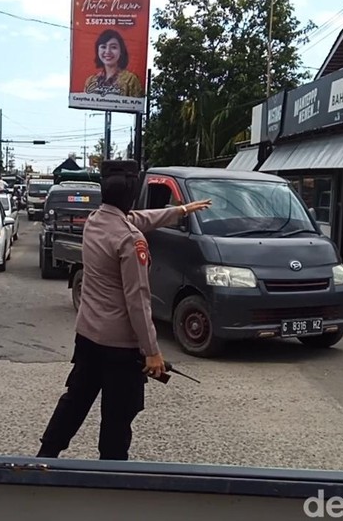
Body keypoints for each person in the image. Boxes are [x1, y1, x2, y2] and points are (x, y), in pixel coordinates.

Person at [36, 160, 211, 461]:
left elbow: (139, 218)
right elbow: (138, 299)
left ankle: (45, 455)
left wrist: (180, 211)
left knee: (75, 401)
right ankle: (111, 474)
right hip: (120, 348)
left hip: (88, 338)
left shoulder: (94, 220)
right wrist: (152, 351)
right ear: (132, 193)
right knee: (117, 417)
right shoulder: (131, 240)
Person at [84, 29, 144, 98]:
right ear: (97, 50)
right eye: (103, 47)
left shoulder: (130, 79)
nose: (108, 51)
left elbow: (136, 106)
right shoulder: (90, 81)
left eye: (113, 47)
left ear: (121, 51)